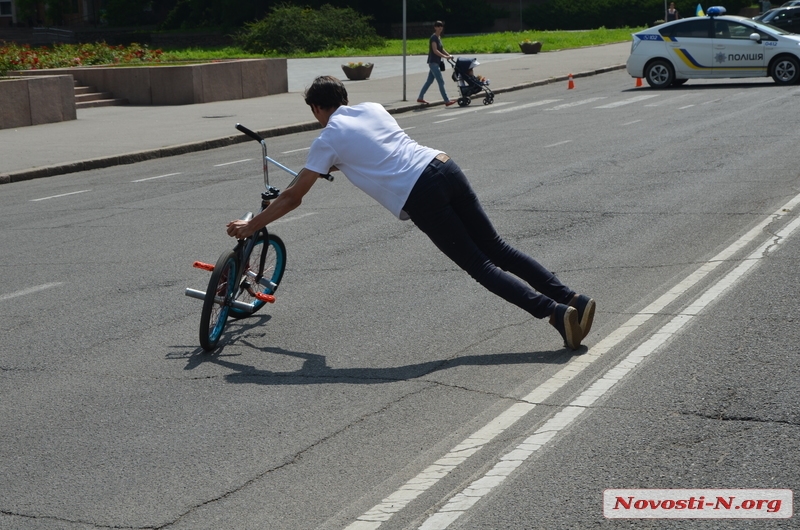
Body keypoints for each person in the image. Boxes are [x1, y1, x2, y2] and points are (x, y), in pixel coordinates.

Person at [226, 76, 596, 350]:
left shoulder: (327, 137)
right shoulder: (371, 109)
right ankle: (574, 300)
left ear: (317, 109)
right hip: (443, 164)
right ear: (345, 97)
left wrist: (252, 225)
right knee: (498, 248)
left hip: (421, 192)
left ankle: (555, 314)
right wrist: (329, 166)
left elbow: (293, 197)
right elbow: (374, 150)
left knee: (480, 265)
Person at [417, 20, 456, 107]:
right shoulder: (433, 38)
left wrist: (448, 55)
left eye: (441, 26)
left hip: (436, 63)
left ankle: (420, 97)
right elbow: (435, 50)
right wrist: (445, 57)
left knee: (429, 81)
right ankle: (446, 100)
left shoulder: (438, 38)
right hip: (433, 63)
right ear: (435, 27)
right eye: (438, 26)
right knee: (441, 82)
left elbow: (441, 49)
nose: (440, 28)